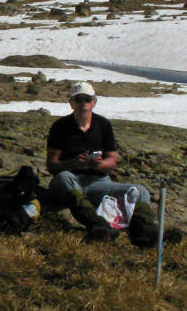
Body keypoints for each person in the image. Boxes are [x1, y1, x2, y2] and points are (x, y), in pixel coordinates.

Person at [46, 81, 159, 246]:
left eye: (87, 99)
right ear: (71, 103)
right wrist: (72, 163)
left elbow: (112, 160)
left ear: (94, 101)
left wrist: (98, 165)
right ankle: (98, 226)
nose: (83, 104)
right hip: (71, 180)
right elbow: (51, 165)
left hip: (99, 182)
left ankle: (144, 233)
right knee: (64, 177)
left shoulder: (103, 125)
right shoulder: (59, 127)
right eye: (78, 99)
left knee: (140, 191)